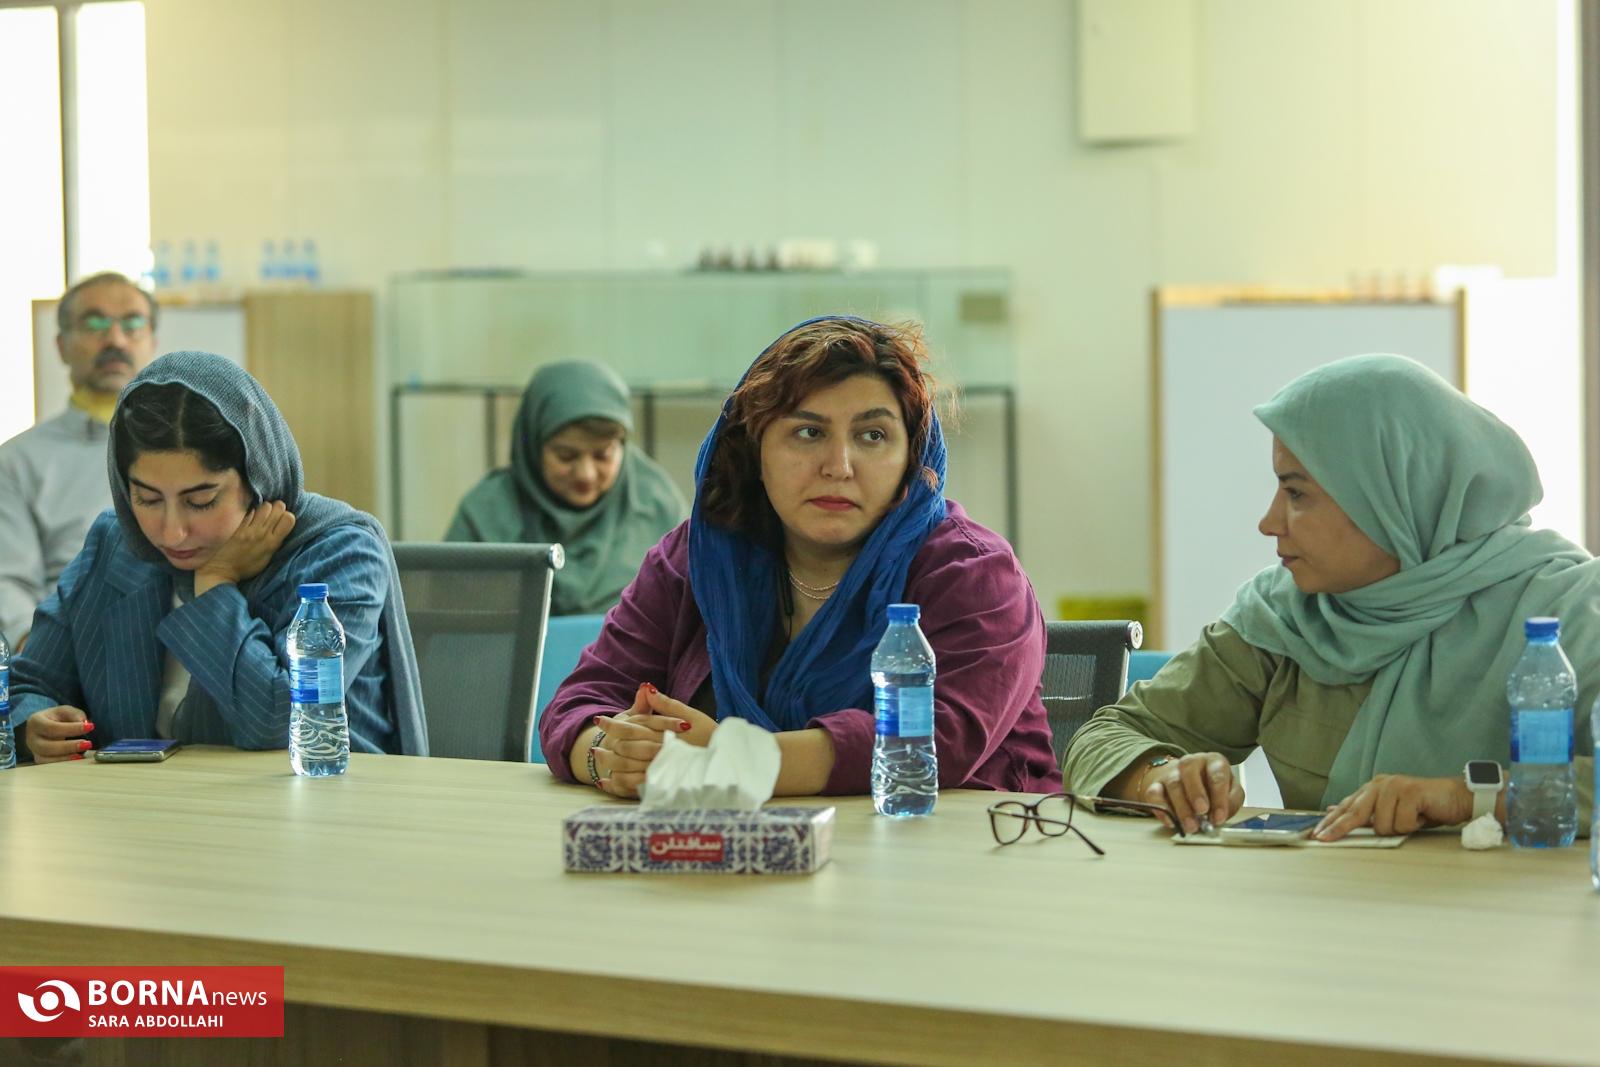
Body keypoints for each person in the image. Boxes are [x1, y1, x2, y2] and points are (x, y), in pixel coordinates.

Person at [1063, 353, 1599, 840]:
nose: (1269, 522)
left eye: (1297, 493)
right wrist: (1163, 777)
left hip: (1505, 911)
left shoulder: (1571, 609)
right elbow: (1105, 736)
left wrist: (1468, 797)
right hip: (1327, 905)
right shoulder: (1285, 614)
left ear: (1389, 498)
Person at [539, 316, 1060, 798]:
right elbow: (580, 702)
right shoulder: (696, 557)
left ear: (911, 457)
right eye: (808, 432)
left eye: (872, 435)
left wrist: (731, 760)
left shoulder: (974, 574)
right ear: (754, 451)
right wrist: (611, 754)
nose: (839, 466)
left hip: (954, 852)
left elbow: (933, 741)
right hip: (736, 852)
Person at [8, 351, 428, 762]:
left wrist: (214, 585)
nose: (172, 531)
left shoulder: (340, 553)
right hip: (147, 802)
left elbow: (280, 721)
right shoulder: (117, 544)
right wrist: (32, 725)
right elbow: (29, 682)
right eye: (147, 498)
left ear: (256, 477)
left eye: (201, 501)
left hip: (321, 800)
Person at [445, 360, 685, 615]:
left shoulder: (659, 508)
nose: (586, 474)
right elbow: (447, 617)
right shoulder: (483, 517)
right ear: (532, 447)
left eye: (603, 455)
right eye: (566, 456)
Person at [0, 272, 159, 646]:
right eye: (95, 324)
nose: (115, 339)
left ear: (152, 341)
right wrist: (43, 658)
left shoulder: (191, 447)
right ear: (61, 345)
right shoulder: (16, 461)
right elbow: (8, 583)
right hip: (67, 642)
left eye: (132, 324)